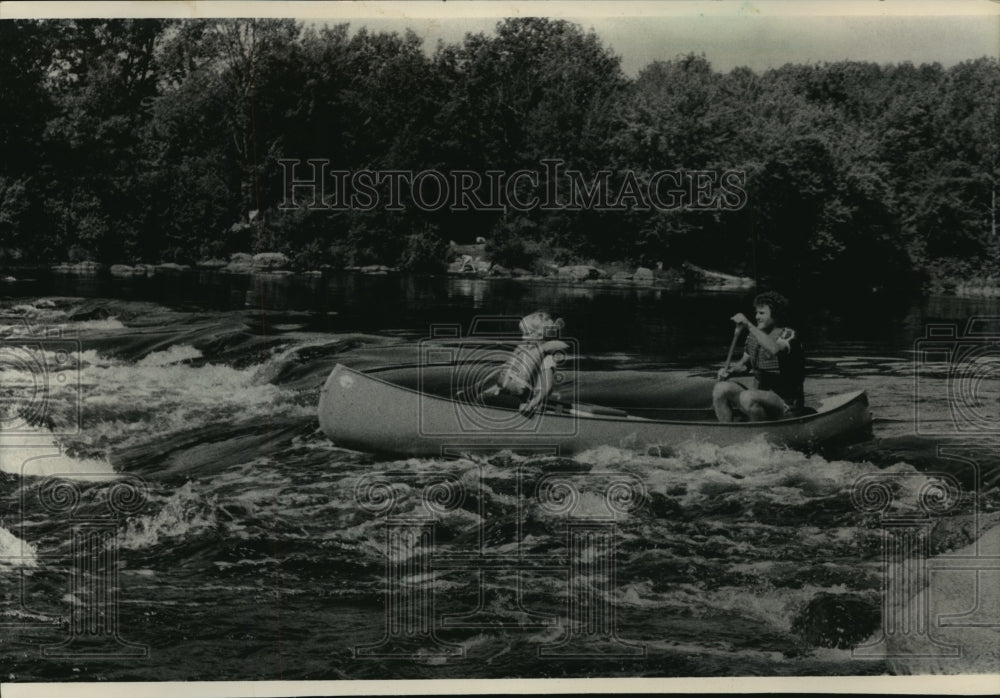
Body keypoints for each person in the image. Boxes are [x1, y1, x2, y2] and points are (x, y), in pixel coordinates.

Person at [713, 291, 805, 422]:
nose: (756, 317)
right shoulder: (753, 337)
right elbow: (744, 366)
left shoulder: (789, 335)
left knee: (747, 397)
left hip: (785, 404)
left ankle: (760, 437)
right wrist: (730, 371)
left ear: (776, 315)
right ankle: (727, 432)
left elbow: (774, 349)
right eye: (756, 312)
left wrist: (748, 325)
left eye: (762, 313)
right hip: (759, 399)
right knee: (720, 388)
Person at [478, 311, 568, 416]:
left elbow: (546, 388)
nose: (523, 338)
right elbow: (505, 378)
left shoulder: (547, 359)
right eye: (523, 334)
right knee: (483, 396)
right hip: (512, 397)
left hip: (526, 402)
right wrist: (490, 390)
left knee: (485, 399)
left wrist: (531, 405)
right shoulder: (524, 353)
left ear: (539, 335)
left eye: (527, 334)